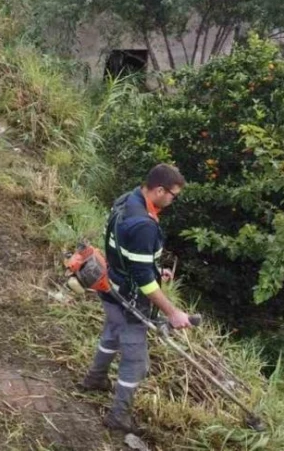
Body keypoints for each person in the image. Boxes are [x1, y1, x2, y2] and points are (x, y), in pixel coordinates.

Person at [80, 164, 193, 435]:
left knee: (111, 333)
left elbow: (129, 254)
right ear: (159, 190)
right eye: (173, 195)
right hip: (130, 299)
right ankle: (119, 416)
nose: (173, 201)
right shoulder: (144, 225)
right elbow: (143, 282)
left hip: (110, 285)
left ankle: (94, 379)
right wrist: (173, 312)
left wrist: (155, 270)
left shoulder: (127, 200)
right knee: (135, 361)